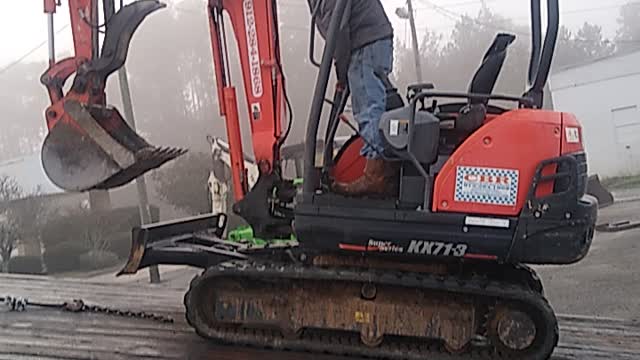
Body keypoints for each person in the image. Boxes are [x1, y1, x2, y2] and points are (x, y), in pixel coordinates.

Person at [308, 0, 394, 196]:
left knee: (368, 107)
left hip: (366, 42)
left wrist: (341, 67)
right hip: (374, 39)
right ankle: (389, 168)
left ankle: (376, 175)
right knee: (378, 103)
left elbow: (337, 29)